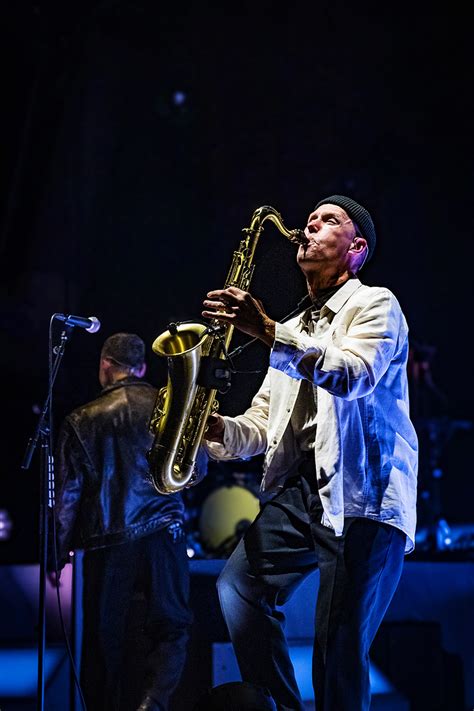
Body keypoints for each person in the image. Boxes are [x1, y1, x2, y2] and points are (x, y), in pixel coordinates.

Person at [201, 195, 418, 711]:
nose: (310, 226)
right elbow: (261, 425)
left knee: (337, 652)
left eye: (328, 220)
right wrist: (206, 430)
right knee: (238, 587)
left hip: (362, 495)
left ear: (356, 249)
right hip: (299, 491)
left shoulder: (376, 304)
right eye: (310, 219)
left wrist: (268, 331)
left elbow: (353, 375)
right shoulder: (297, 325)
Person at [49, 332, 192, 711]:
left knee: (103, 638)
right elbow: (197, 468)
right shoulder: (168, 406)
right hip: (166, 533)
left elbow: (66, 497)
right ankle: (153, 704)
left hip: (109, 538)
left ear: (105, 365)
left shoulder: (81, 420)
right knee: (171, 628)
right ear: (143, 368)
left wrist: (56, 552)